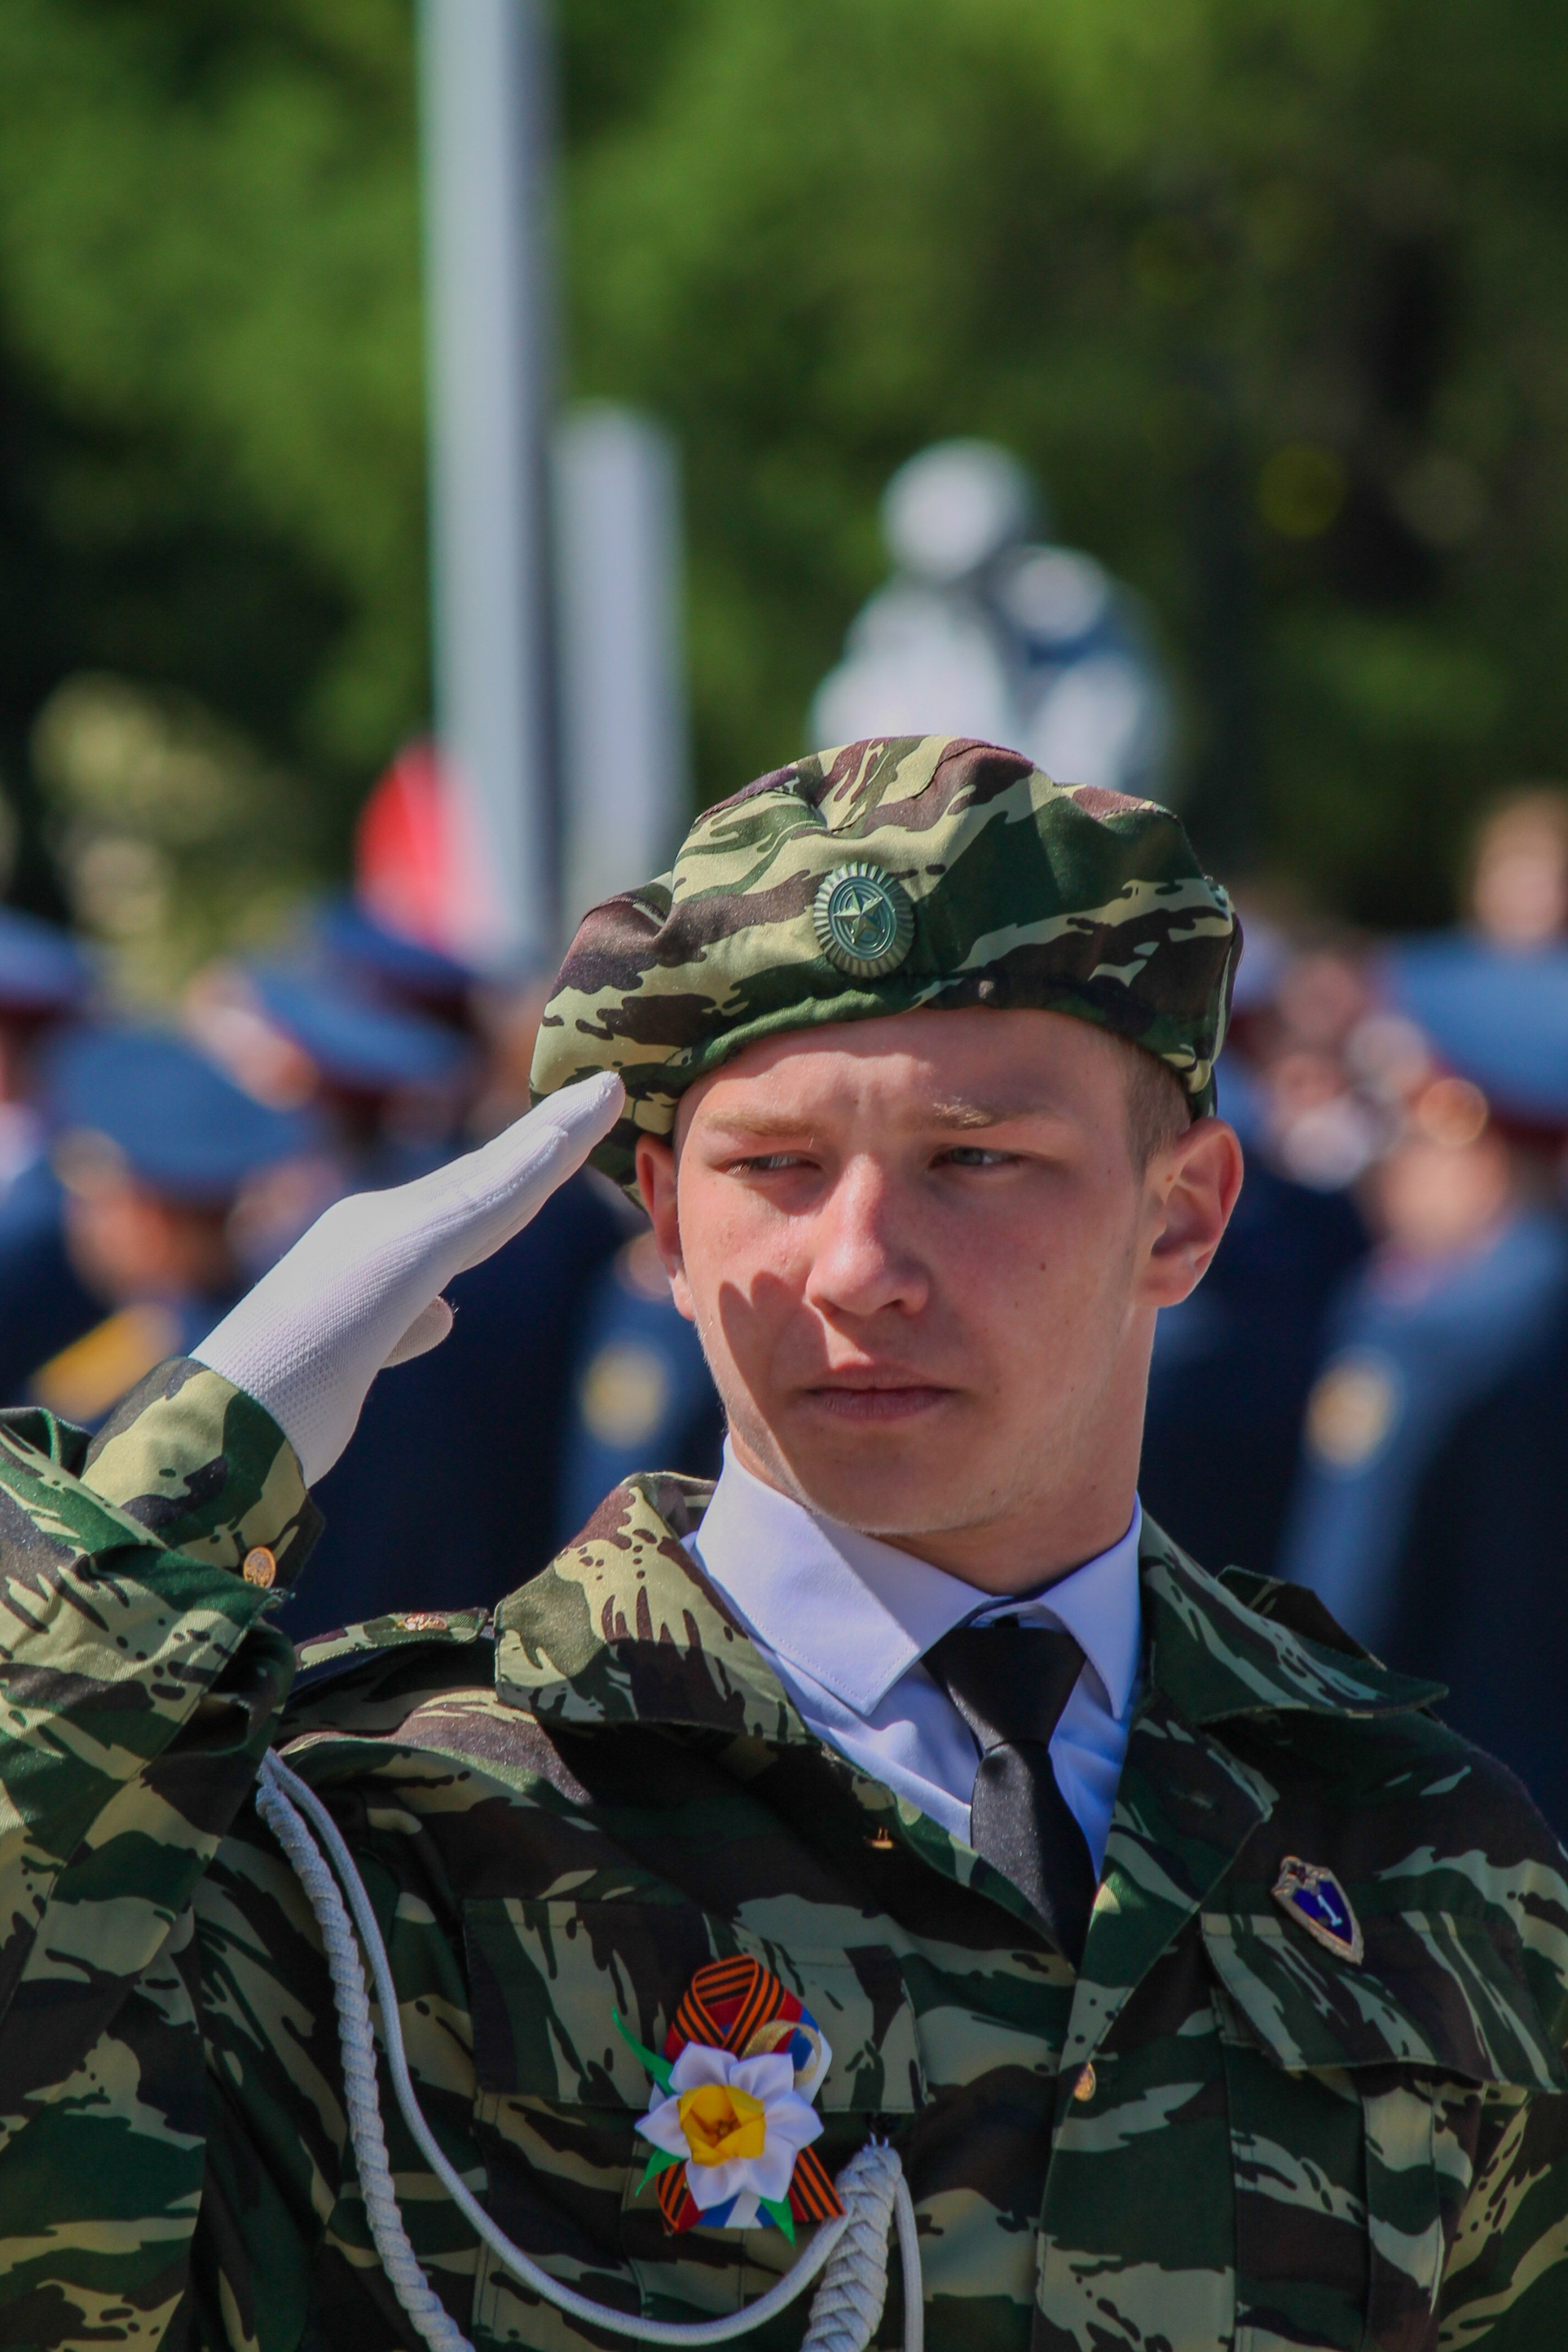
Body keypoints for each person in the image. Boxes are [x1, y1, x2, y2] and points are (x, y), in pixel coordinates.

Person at [0, 737, 1564, 2351]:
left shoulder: (1415, 1855)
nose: (859, 1268)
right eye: (777, 1169)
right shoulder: (404, 1837)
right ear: (664, 1222)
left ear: (1181, 1214)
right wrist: (174, 1487)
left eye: (976, 1160)